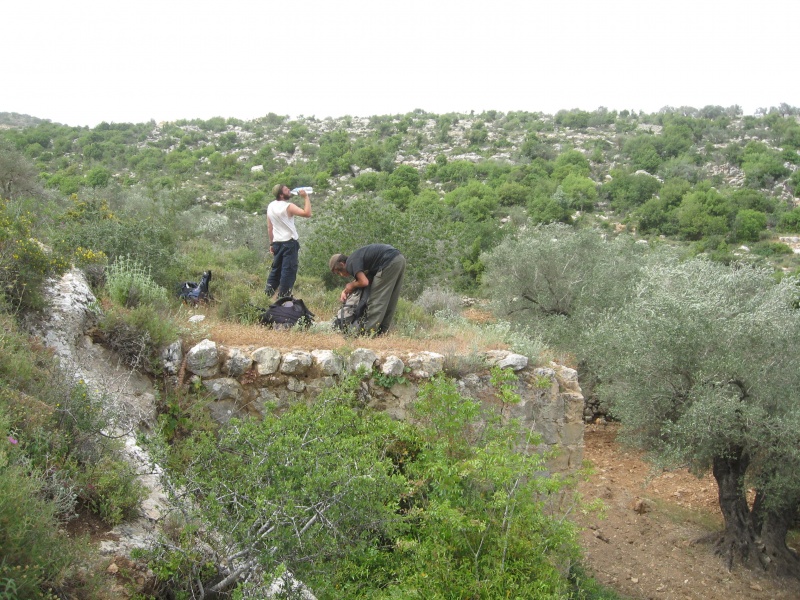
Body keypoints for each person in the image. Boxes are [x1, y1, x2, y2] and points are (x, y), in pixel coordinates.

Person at [329, 244, 406, 335]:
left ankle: (368, 333)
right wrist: (346, 290)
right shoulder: (355, 258)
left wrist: (351, 285)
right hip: (399, 259)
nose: (341, 275)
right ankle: (382, 332)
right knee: (391, 300)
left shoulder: (351, 263)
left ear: (342, 264)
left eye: (339, 272)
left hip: (388, 262)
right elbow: (362, 277)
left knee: (376, 301)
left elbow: (364, 282)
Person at [265, 184, 312, 298]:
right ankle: (283, 297)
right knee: (288, 271)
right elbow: (307, 213)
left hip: (277, 243)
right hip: (289, 243)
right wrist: (305, 197)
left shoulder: (270, 206)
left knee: (276, 270)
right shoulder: (288, 206)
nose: (289, 190)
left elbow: (269, 227)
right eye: (286, 190)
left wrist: (271, 244)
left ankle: (266, 295)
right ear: (281, 195)